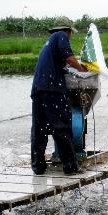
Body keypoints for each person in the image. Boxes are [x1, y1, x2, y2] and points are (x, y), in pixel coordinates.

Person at [31, 17, 87, 175]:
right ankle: (70, 166)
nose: (70, 36)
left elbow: (63, 64)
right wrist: (83, 69)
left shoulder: (48, 43)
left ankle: (38, 166)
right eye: (71, 33)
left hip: (38, 89)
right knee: (61, 126)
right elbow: (69, 58)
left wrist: (70, 67)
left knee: (39, 128)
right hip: (52, 89)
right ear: (67, 30)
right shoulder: (60, 36)